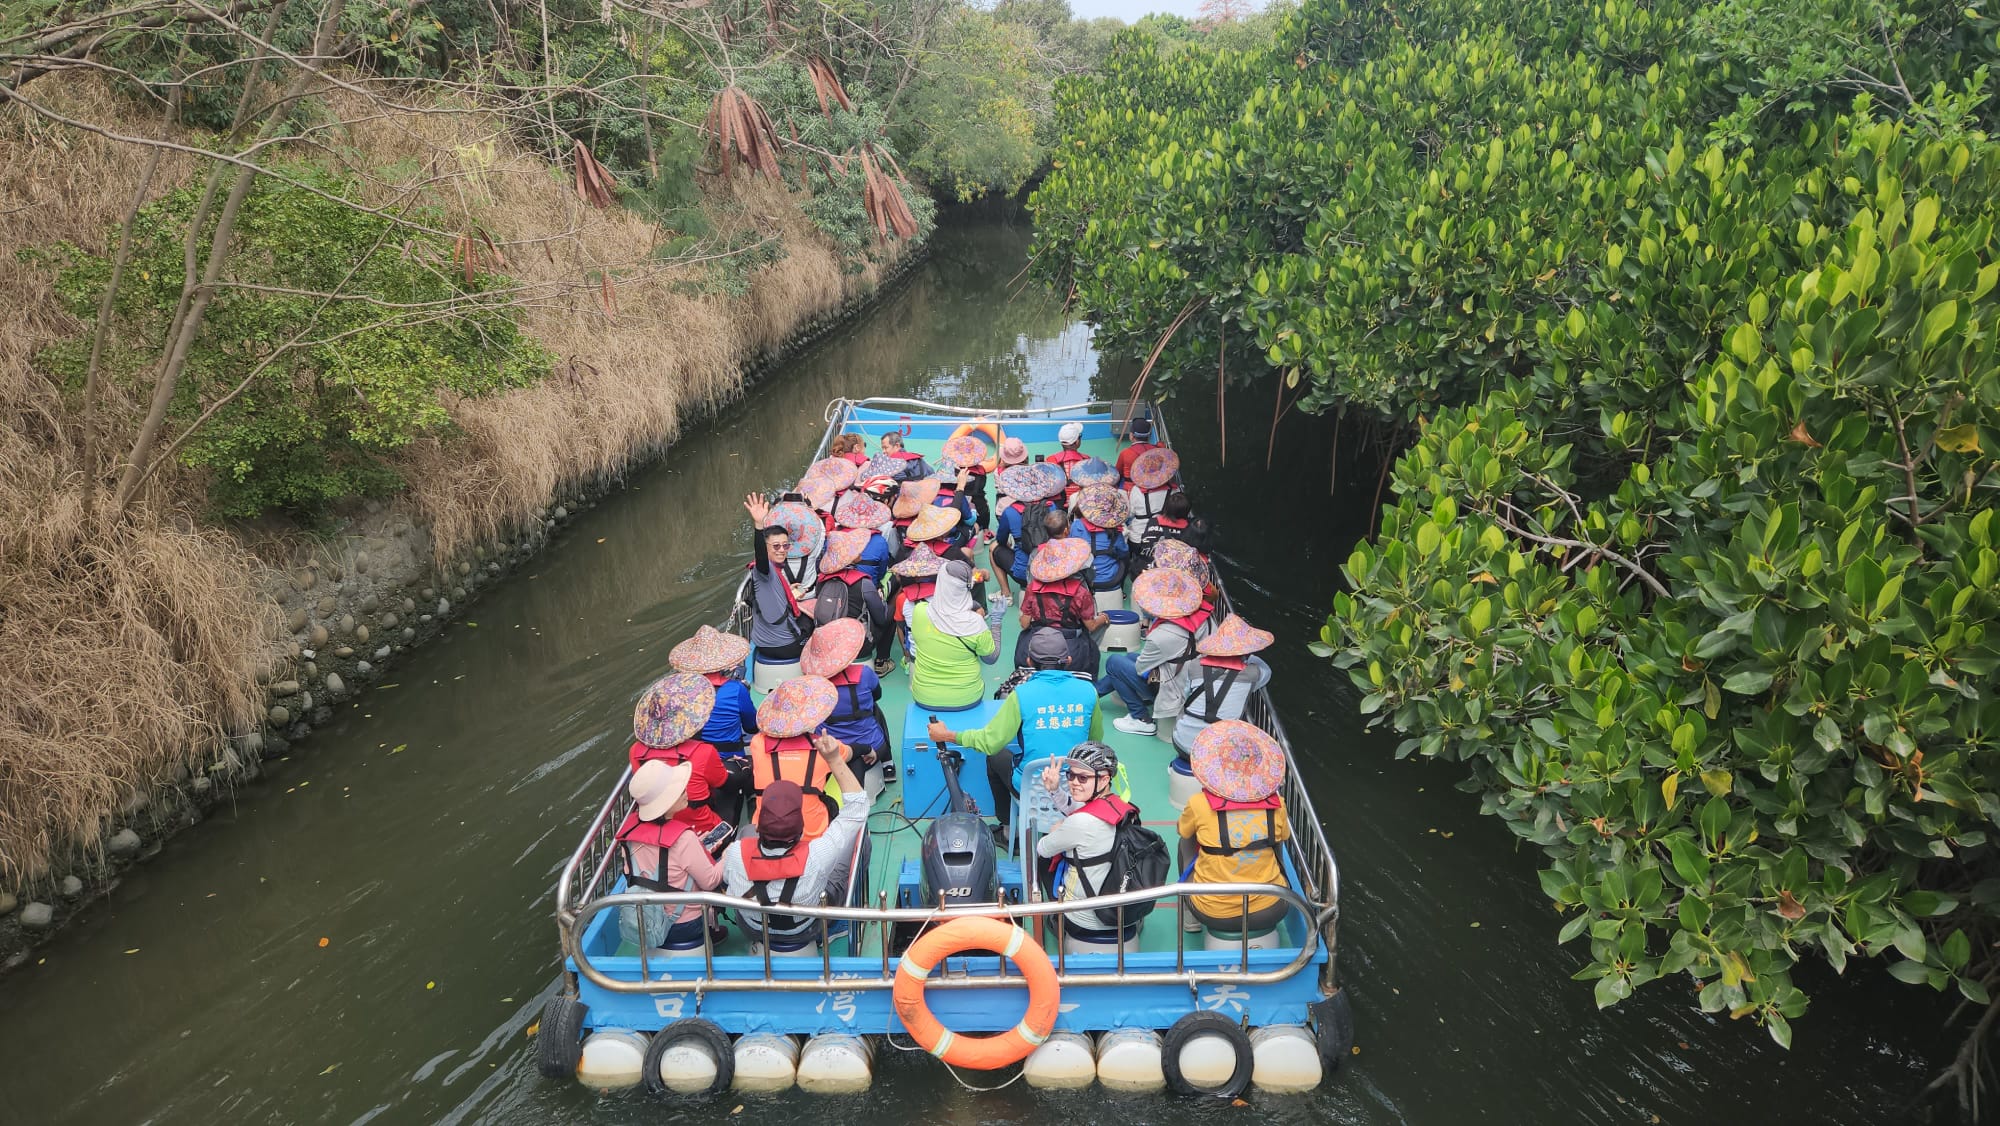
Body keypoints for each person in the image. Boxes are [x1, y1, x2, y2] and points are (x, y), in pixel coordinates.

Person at [928, 628, 1102, 837]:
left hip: (1034, 789)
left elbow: (990, 742)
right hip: (1076, 786)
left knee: (995, 757)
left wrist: (947, 735)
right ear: (1069, 660)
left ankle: (1009, 831)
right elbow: (1095, 742)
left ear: (1029, 661)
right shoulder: (1089, 691)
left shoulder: (1021, 695)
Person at [723, 766, 871, 952]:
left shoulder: (735, 853)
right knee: (861, 840)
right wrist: (834, 759)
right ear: (801, 829)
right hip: (806, 928)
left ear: (760, 826)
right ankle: (834, 926)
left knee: (746, 832)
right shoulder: (817, 854)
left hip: (754, 928)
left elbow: (726, 879)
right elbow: (858, 808)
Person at [1179, 720, 1293, 936]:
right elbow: (1282, 838)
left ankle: (1189, 914)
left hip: (1212, 912)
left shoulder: (1198, 803)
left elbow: (1183, 831)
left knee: (1185, 840)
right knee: (1274, 842)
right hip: (1272, 909)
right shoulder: (1277, 804)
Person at [1030, 742, 1143, 946]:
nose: (1074, 782)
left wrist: (1057, 829)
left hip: (1085, 920)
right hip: (1122, 909)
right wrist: (1055, 790)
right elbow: (1079, 809)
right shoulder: (1122, 807)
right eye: (1070, 775)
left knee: (1045, 859)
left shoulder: (1079, 823)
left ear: (1104, 779)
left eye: (1082, 778)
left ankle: (1057, 914)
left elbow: (1043, 848)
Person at [616, 760, 729, 950]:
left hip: (643, 917)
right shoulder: (684, 839)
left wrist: (698, 847)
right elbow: (710, 881)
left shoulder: (629, 832)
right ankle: (711, 933)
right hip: (684, 926)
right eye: (678, 789)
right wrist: (728, 857)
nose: (685, 790)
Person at [1171, 614, 1274, 806]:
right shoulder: (1252, 673)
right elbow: (1266, 671)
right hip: (1219, 754)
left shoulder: (1195, 666)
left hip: (1182, 744)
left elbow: (1186, 694)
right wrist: (1249, 655)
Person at [1102, 568, 1216, 736]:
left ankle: (1141, 718)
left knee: (1114, 663)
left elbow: (1141, 669)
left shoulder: (1161, 635)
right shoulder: (1207, 620)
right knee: (1129, 658)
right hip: (1192, 680)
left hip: (1173, 689)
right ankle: (1095, 692)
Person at [670, 626, 759, 824]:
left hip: (691, 762)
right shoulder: (736, 689)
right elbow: (751, 726)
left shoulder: (682, 692)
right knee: (753, 767)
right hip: (729, 761)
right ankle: (751, 802)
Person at [802, 617, 895, 797]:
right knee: (874, 709)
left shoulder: (813, 684)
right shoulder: (864, 674)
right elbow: (877, 694)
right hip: (872, 746)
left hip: (830, 749)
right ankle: (888, 762)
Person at [749, 676, 849, 841]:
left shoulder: (757, 743)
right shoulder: (822, 746)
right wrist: (867, 750)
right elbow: (849, 753)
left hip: (765, 832)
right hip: (813, 836)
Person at [629, 673, 729, 834]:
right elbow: (722, 782)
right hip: (702, 828)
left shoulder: (635, 751)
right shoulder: (704, 752)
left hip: (657, 829)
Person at [908, 558, 998, 712]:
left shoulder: (919, 611)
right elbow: (990, 658)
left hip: (924, 697)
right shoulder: (976, 623)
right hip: (967, 697)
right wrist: (997, 622)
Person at [1018, 537, 1106, 675]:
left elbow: (1024, 624)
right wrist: (1104, 618)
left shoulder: (1032, 588)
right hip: (1072, 647)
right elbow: (1091, 626)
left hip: (1038, 642)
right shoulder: (1080, 592)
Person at [742, 494, 813, 663]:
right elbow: (761, 555)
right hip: (784, 647)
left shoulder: (774, 570)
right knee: (813, 625)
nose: (781, 550)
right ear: (765, 547)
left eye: (785, 545)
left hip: (762, 643)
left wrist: (789, 592)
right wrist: (759, 525)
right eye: (775, 546)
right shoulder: (763, 569)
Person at [810, 527, 892, 663]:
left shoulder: (822, 580)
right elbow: (880, 619)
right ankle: (882, 660)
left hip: (828, 642)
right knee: (890, 612)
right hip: (858, 645)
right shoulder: (864, 583)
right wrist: (881, 601)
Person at [992, 462, 1057, 595]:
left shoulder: (1010, 511)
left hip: (1024, 574)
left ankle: (1005, 593)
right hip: (1050, 570)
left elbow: (1001, 540)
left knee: (993, 548)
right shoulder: (1051, 506)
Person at [1070, 486, 1131, 600]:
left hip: (1084, 580)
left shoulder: (1077, 526)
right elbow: (1124, 553)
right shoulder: (1115, 531)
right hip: (1110, 581)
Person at [1125, 447, 1179, 548]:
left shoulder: (1136, 490)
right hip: (1164, 538)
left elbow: (1131, 513)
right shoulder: (1174, 491)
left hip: (1138, 538)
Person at [1114, 416, 1163, 487]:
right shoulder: (1158, 449)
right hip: (1154, 485)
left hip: (1132, 488)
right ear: (1148, 436)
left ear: (1131, 436)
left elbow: (1117, 472)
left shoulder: (1125, 453)